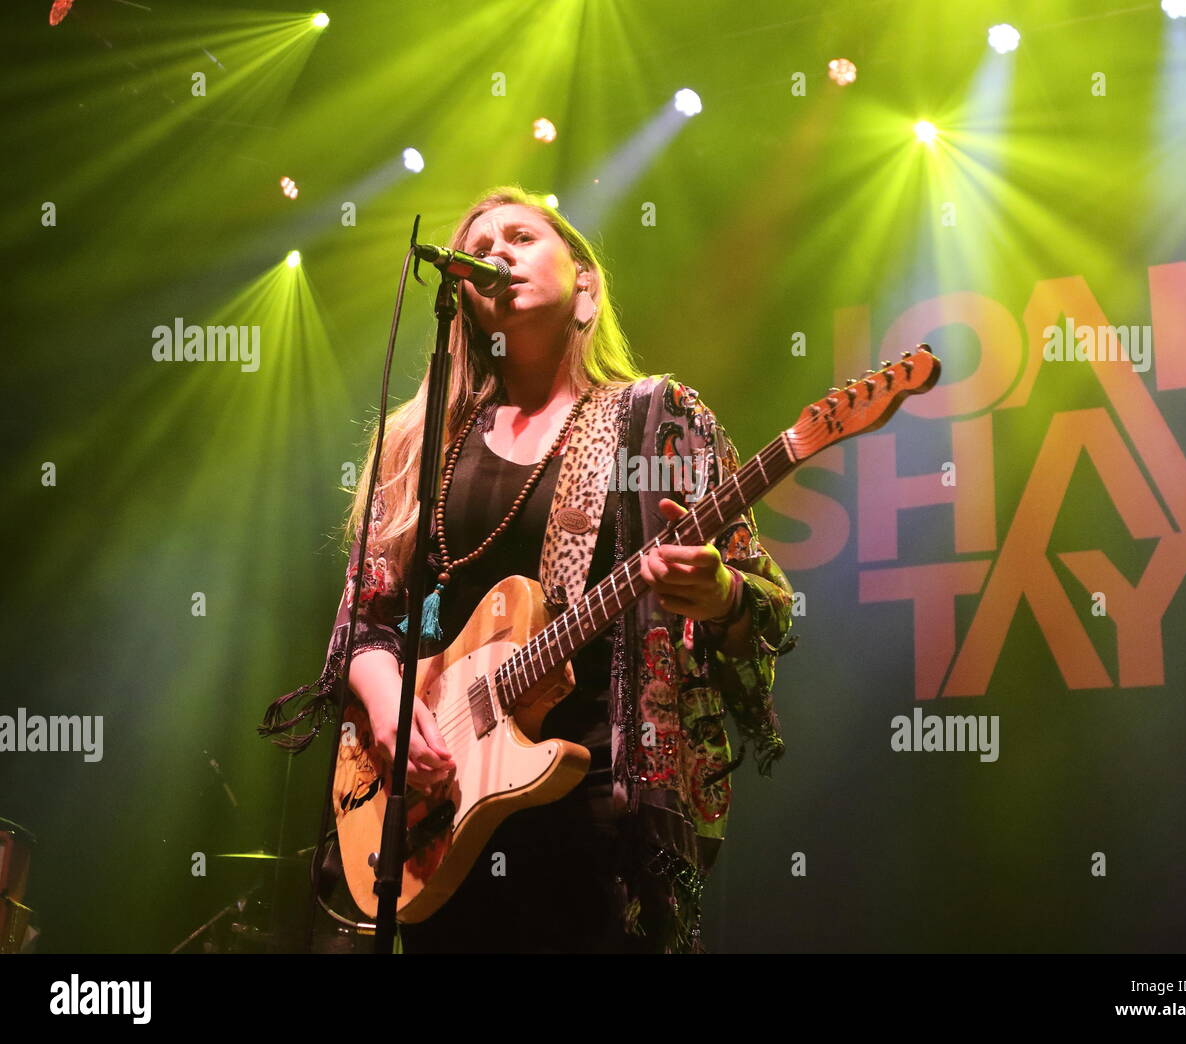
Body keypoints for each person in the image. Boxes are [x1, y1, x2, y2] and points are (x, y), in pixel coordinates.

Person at [260, 185, 798, 953]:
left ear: (586, 283)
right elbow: (366, 617)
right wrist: (386, 707)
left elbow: (769, 608)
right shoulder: (423, 445)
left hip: (599, 814)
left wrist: (717, 595)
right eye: (480, 246)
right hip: (443, 812)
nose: (497, 253)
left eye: (521, 236)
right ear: (465, 304)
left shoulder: (655, 420)